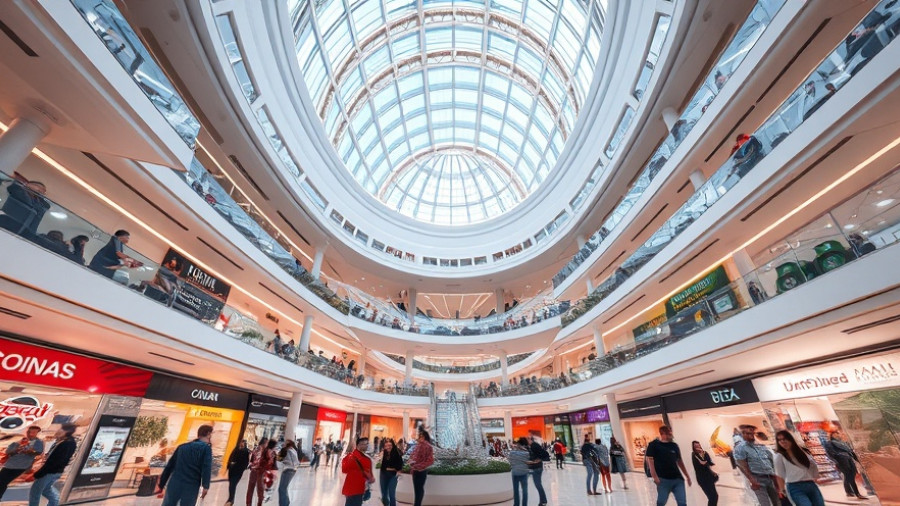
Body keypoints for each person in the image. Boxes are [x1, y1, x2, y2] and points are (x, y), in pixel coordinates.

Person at [158, 425, 213, 506]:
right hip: (191, 485)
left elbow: (170, 465)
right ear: (208, 434)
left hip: (175, 482)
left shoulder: (182, 447)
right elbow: (206, 467)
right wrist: (205, 486)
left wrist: (162, 483)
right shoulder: (206, 449)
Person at [28, 423, 77, 506]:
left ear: (65, 432)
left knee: (35, 492)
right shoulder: (67, 442)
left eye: (59, 430)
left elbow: (54, 461)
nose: (57, 432)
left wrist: (39, 473)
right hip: (55, 471)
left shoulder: (66, 444)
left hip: (50, 471)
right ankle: (54, 503)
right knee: (46, 490)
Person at [774, 430, 825, 506]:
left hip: (810, 484)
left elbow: (812, 465)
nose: (782, 442)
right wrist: (782, 491)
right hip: (795, 486)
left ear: (790, 439)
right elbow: (779, 475)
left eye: (784, 439)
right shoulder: (779, 456)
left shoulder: (802, 452)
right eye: (779, 440)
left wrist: (816, 477)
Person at [645, 425, 691, 506]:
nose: (671, 435)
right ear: (663, 434)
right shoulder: (653, 445)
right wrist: (655, 477)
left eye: (670, 432)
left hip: (678, 479)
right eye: (669, 433)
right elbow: (650, 462)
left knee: (682, 503)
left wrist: (687, 476)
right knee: (661, 502)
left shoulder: (674, 445)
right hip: (663, 479)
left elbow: (680, 461)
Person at [734, 424, 779, 506]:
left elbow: (770, 460)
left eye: (752, 432)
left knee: (777, 501)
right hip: (757, 479)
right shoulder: (740, 448)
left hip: (770, 477)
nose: (750, 435)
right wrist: (752, 480)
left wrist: (775, 475)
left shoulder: (760, 445)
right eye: (747, 433)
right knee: (765, 503)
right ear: (743, 434)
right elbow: (742, 465)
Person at [0, 425, 44, 499]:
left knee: (3, 481)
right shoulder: (18, 440)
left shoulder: (38, 442)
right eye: (30, 431)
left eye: (34, 432)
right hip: (9, 465)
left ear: (37, 433)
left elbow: (39, 452)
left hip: (21, 466)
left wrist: (29, 452)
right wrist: (16, 450)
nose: (31, 433)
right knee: (2, 481)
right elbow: (8, 451)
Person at [824, 431, 868, 500]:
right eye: (835, 434)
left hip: (849, 459)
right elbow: (830, 453)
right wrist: (836, 461)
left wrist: (858, 460)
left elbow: (851, 451)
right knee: (849, 475)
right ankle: (857, 493)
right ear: (832, 435)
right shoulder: (830, 443)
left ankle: (849, 492)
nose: (837, 435)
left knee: (851, 475)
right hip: (842, 460)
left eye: (837, 434)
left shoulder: (843, 443)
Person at [341, 437, 374, 506]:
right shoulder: (366, 459)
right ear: (359, 445)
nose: (367, 446)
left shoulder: (349, 456)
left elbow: (344, 470)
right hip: (359, 488)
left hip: (350, 487)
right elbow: (370, 477)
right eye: (366, 444)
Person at [508, 438, 538, 506]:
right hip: (524, 473)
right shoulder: (526, 453)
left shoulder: (512, 453)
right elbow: (528, 461)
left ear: (518, 444)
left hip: (515, 473)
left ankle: (516, 504)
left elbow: (510, 462)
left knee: (516, 491)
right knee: (525, 490)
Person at [246, 438, 276, 506]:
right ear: (264, 443)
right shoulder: (264, 451)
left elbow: (251, 461)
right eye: (266, 443)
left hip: (257, 472)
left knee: (253, 489)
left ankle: (251, 504)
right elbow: (269, 462)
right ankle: (255, 504)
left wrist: (252, 467)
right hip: (258, 472)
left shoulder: (258, 450)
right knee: (257, 490)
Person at [408, 430, 434, 506]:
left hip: (420, 470)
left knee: (419, 489)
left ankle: (417, 504)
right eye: (419, 436)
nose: (419, 437)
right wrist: (412, 462)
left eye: (421, 436)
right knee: (417, 489)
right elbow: (413, 456)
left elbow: (430, 460)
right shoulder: (418, 445)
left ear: (424, 437)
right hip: (416, 470)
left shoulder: (427, 446)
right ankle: (417, 504)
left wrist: (419, 466)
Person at [691, 441, 718, 506]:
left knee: (715, 496)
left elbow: (710, 463)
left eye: (698, 445)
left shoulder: (705, 453)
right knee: (711, 497)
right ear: (693, 447)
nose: (697, 447)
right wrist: (705, 462)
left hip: (709, 478)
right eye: (695, 446)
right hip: (702, 480)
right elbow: (701, 463)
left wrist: (703, 454)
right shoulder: (694, 454)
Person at [226, 440, 250, 506]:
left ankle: (230, 500)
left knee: (233, 485)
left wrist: (240, 468)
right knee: (231, 485)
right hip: (232, 470)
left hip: (238, 472)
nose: (241, 444)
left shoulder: (245, 452)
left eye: (243, 443)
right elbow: (230, 457)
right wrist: (229, 466)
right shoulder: (236, 449)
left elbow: (246, 463)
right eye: (241, 442)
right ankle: (231, 499)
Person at [379, 439, 403, 506]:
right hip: (383, 475)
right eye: (386, 445)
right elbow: (383, 466)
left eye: (390, 445)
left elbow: (399, 466)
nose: (388, 447)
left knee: (391, 494)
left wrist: (391, 469)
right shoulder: (384, 453)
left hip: (392, 476)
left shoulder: (397, 453)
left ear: (393, 445)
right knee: (384, 494)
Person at [278, 440, 300, 506]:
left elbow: (278, 459)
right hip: (293, 470)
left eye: (285, 443)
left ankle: (283, 504)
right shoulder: (293, 450)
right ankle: (286, 502)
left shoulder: (286, 450)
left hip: (287, 469)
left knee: (281, 488)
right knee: (284, 487)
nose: (283, 444)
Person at [528, 436, 548, 506]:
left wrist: (539, 459)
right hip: (536, 467)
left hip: (537, 468)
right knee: (538, 484)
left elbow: (544, 454)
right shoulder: (532, 446)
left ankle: (543, 501)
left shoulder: (534, 445)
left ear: (530, 439)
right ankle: (542, 501)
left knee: (538, 484)